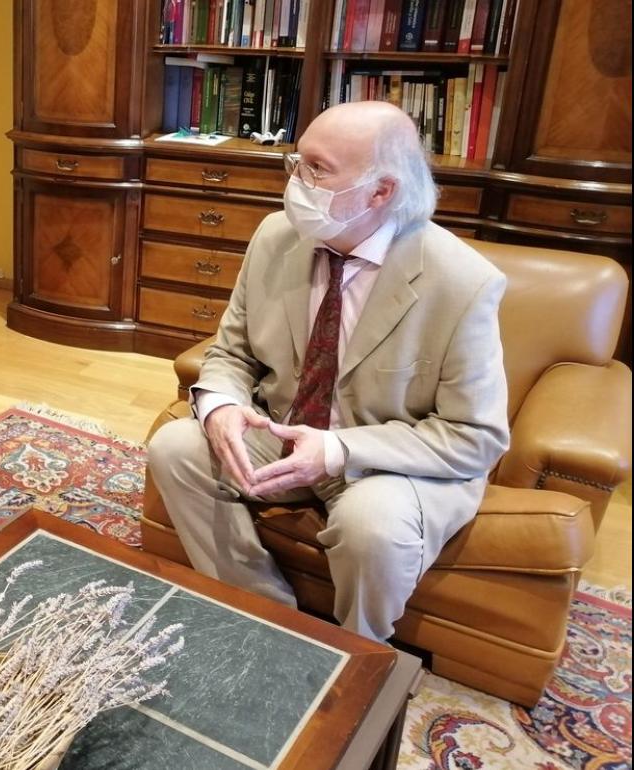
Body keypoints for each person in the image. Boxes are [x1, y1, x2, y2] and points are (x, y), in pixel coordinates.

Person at [147, 101, 510, 642]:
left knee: (373, 527)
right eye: (297, 162)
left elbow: (475, 437)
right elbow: (232, 353)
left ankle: (358, 658)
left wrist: (338, 451)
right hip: (285, 432)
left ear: (381, 191)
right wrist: (221, 405)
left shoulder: (463, 282)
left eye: (317, 169)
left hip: (385, 461)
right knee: (174, 447)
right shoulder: (276, 237)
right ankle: (266, 622)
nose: (296, 181)